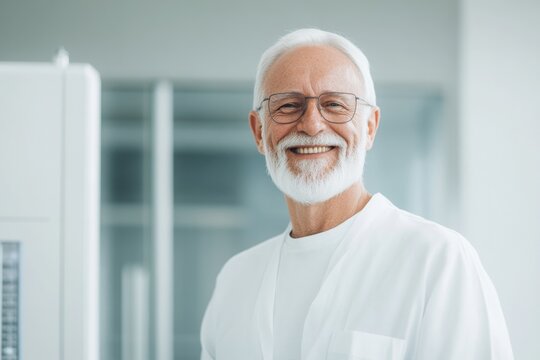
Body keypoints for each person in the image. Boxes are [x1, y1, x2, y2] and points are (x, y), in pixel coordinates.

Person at [200, 28, 514, 360]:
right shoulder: (236, 279)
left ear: (369, 127)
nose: (311, 124)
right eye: (288, 105)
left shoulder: (438, 261)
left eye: (334, 105)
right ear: (259, 131)